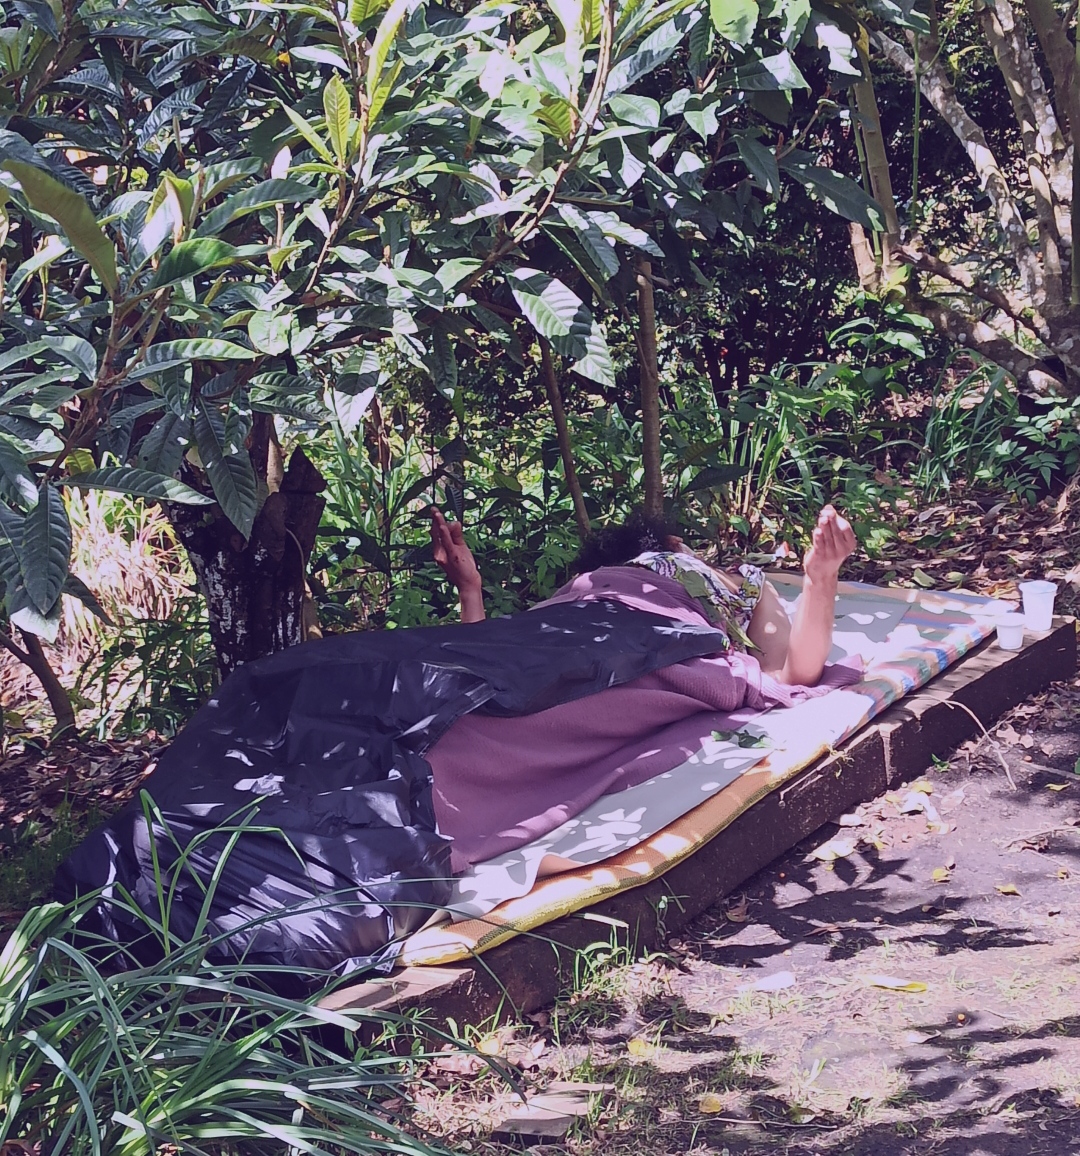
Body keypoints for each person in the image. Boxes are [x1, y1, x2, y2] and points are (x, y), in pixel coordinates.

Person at [430, 504, 857, 688]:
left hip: (622, 643)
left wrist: (821, 580)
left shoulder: (743, 582)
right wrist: (470, 588)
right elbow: (484, 664)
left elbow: (790, 673)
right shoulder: (586, 586)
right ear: (675, 544)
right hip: (593, 630)